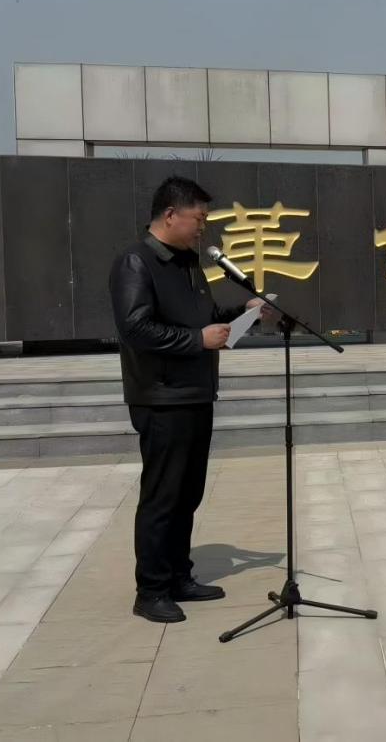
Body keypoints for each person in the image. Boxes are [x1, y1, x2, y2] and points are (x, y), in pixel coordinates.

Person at [108, 176, 274, 623]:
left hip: (197, 393)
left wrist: (243, 314)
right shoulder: (136, 262)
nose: (203, 228)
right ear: (170, 215)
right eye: (198, 219)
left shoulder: (188, 264)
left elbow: (205, 318)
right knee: (163, 496)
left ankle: (179, 575)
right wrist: (197, 340)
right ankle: (151, 590)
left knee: (187, 494)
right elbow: (135, 328)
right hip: (162, 397)